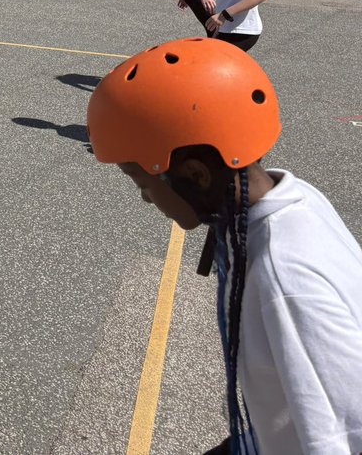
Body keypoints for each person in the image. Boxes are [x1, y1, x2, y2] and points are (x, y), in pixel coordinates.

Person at [88, 38, 362, 455]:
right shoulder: (292, 196)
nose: (144, 198)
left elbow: (345, 437)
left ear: (195, 175)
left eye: (141, 182)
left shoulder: (284, 281)